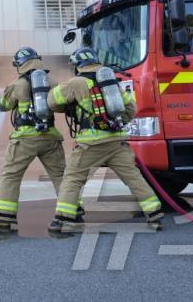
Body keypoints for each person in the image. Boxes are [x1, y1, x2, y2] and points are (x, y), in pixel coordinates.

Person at [47, 47, 163, 234]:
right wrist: (118, 122)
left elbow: (52, 102)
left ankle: (63, 220)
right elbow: (131, 108)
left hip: (91, 143)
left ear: (78, 64)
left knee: (72, 179)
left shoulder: (76, 82)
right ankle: (154, 213)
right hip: (117, 142)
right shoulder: (112, 81)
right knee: (133, 178)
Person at [0, 47, 67, 231]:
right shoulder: (52, 82)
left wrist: (2, 97)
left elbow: (3, 105)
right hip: (50, 137)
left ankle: (4, 217)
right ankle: (72, 212)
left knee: (11, 175)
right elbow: (62, 106)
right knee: (61, 176)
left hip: (25, 139)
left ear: (20, 64)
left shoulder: (17, 85)